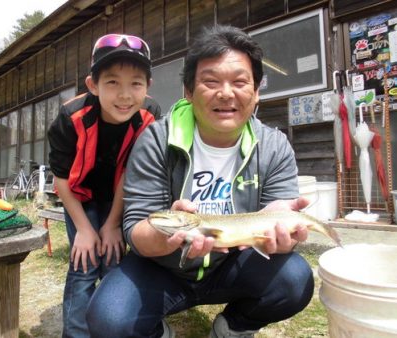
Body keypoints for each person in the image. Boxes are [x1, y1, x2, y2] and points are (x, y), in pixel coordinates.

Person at [86, 25, 314, 338]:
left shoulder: (274, 146)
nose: (225, 93)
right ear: (189, 92)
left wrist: (281, 229)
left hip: (233, 265)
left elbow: (277, 209)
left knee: (295, 279)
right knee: (108, 319)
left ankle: (232, 327)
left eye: (239, 82)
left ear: (257, 91)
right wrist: (165, 237)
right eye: (210, 81)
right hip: (162, 268)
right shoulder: (156, 140)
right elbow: (136, 230)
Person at [48, 33, 160, 338]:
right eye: (112, 82)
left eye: (136, 83)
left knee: (113, 258)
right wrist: (85, 229)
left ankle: (113, 326)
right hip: (78, 196)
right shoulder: (70, 117)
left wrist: (112, 225)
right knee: (84, 264)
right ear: (93, 85)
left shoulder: (150, 117)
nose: (125, 95)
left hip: (118, 196)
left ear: (148, 86)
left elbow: (133, 171)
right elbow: (60, 177)